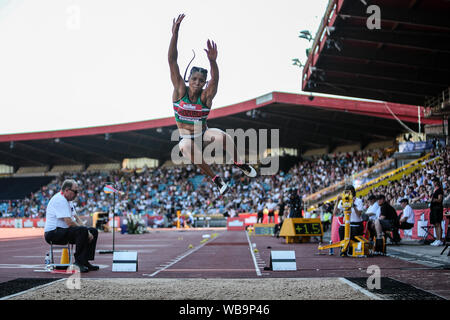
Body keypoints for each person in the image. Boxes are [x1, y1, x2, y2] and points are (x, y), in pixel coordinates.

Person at [168, 14, 256, 196]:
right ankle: (216, 179)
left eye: (201, 80)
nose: (197, 82)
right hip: (187, 138)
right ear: (188, 79)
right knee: (184, 147)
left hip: (204, 134)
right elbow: (172, 61)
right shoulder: (179, 91)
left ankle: (239, 162)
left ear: (204, 82)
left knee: (223, 136)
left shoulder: (206, 97)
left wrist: (213, 61)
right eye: (194, 79)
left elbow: (215, 80)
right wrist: (175, 34)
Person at [43, 179, 99, 273]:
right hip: (53, 233)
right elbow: (69, 222)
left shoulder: (68, 200)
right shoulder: (60, 200)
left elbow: (76, 217)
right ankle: (78, 263)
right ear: (67, 190)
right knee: (82, 231)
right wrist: (85, 231)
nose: (76, 194)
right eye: (75, 192)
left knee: (93, 231)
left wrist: (88, 231)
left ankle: (85, 261)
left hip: (63, 231)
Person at [429, 178, 444, 246]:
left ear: (437, 182)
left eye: (434, 182)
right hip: (433, 208)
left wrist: (433, 200)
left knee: (438, 224)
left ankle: (440, 239)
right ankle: (437, 239)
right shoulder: (433, 190)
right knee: (435, 224)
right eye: (433, 182)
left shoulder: (439, 190)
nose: (433, 183)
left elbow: (440, 199)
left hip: (437, 208)